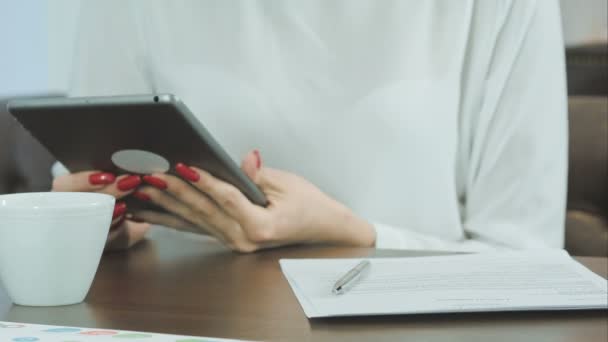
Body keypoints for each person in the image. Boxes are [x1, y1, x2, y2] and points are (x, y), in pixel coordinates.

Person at [52, 0, 568, 253]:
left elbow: (526, 261)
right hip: (176, 323)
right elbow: (85, 198)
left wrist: (354, 235)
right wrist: (96, 226)